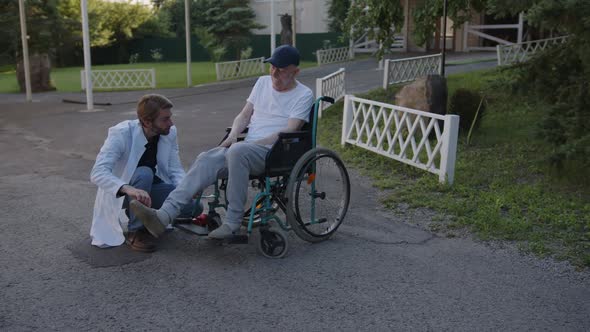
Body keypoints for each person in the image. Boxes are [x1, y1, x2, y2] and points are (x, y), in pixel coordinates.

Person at [130, 45, 314, 240]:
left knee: (237, 151)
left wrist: (254, 143)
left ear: (296, 72)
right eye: (272, 67)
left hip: (275, 152)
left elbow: (290, 130)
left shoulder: (304, 94)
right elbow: (244, 115)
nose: (274, 73)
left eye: (281, 70)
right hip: (244, 150)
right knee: (206, 158)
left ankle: (232, 222)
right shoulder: (262, 83)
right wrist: (234, 135)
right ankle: (164, 215)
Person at [90, 94, 193, 252]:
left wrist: (186, 188)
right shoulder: (121, 133)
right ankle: (136, 231)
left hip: (150, 189)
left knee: (193, 206)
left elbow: (174, 168)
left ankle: (153, 219)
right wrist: (128, 188)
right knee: (144, 173)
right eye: (165, 119)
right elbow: (98, 172)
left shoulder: (169, 132)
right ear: (146, 121)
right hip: (123, 194)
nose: (170, 123)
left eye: (170, 118)